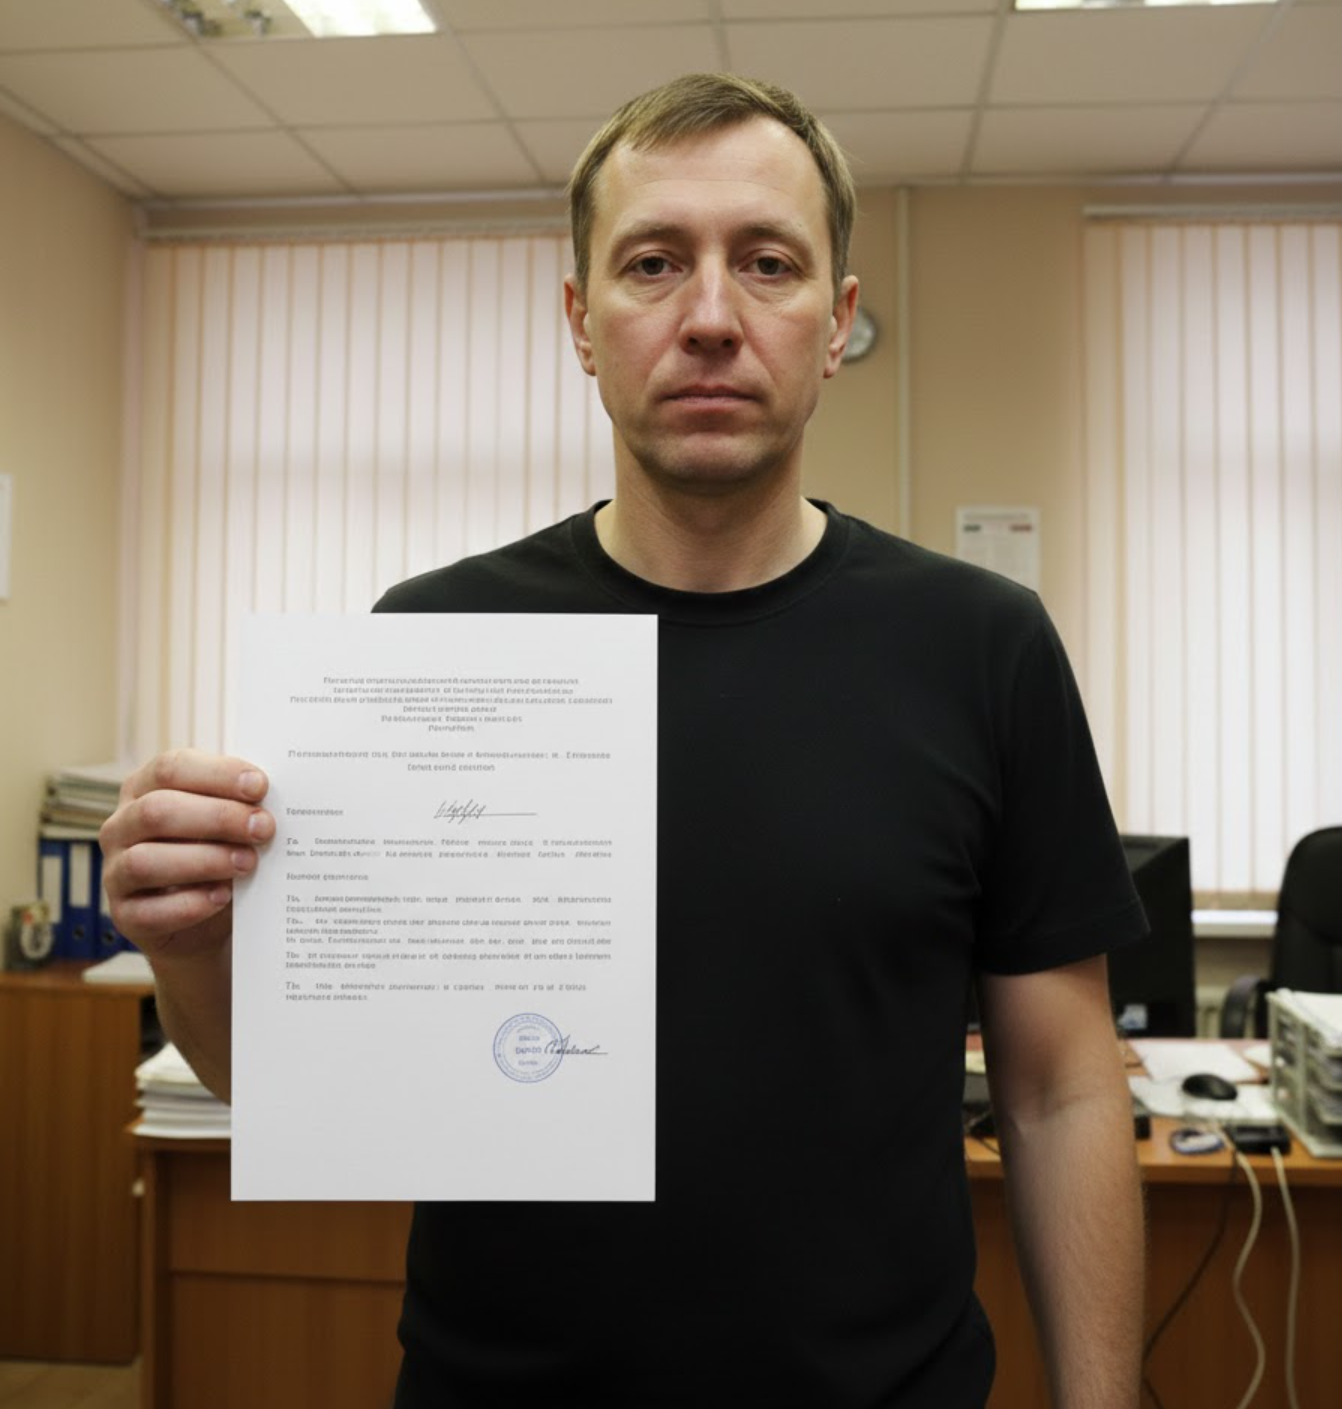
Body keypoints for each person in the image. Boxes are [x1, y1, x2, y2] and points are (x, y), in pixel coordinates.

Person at [101, 73, 1144, 1409]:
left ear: (836, 324)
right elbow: (293, 1083)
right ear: (581, 323)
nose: (710, 316)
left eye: (767, 263)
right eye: (653, 263)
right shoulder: (432, 644)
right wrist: (191, 947)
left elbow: (1060, 1091)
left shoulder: (981, 647)